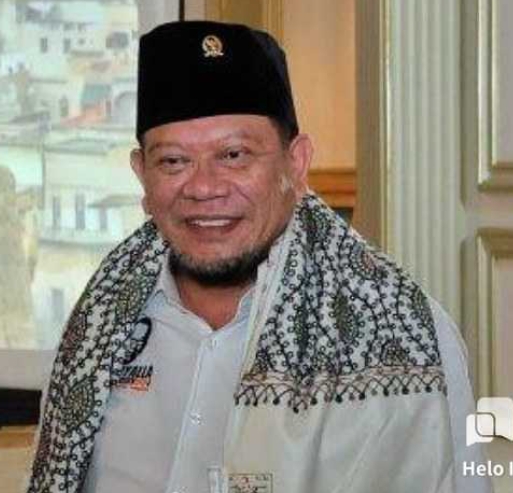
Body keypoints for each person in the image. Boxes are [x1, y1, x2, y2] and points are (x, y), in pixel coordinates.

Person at [27, 21, 491, 493]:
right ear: (141, 174)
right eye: (173, 161)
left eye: (234, 155)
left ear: (297, 163)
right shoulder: (99, 328)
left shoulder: (405, 329)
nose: (204, 187)